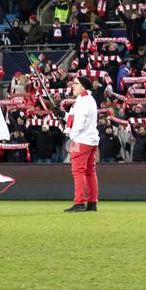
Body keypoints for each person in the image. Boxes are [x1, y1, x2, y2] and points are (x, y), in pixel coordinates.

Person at [64, 77, 99, 213]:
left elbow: (80, 121)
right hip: (91, 140)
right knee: (90, 172)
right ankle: (92, 203)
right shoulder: (90, 100)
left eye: (76, 84)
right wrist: (62, 114)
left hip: (81, 140)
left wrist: (72, 135)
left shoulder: (82, 101)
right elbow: (77, 118)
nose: (73, 86)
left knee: (78, 172)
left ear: (83, 87)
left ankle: (79, 202)